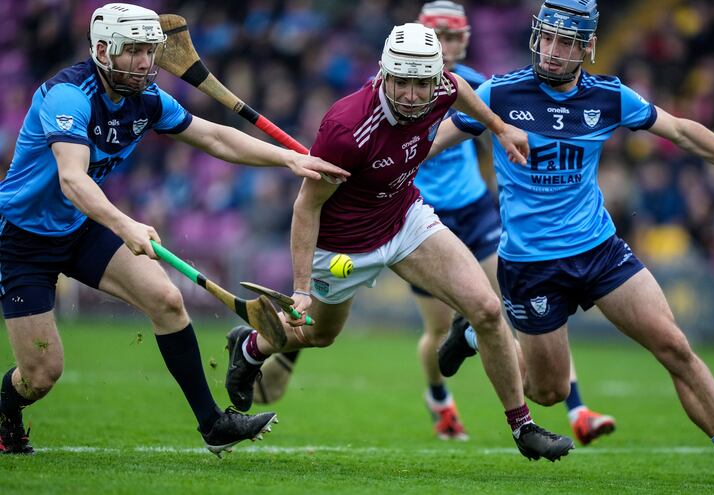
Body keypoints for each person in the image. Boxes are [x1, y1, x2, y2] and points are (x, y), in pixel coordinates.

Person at [431, 0, 714, 484]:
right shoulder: (498, 94)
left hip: (599, 250)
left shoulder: (609, 97)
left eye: (566, 42)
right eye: (546, 37)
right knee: (548, 391)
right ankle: (477, 333)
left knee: (674, 345)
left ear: (588, 48)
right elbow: (429, 142)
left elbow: (682, 132)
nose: (552, 51)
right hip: (532, 265)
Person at [250, 0, 615, 447]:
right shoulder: (347, 127)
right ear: (384, 76)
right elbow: (306, 207)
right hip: (348, 238)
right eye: (401, 83)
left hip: (409, 217)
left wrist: (498, 127)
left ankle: (524, 426)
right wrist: (302, 288)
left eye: (421, 84)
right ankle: (253, 348)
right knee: (325, 334)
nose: (410, 94)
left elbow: (458, 88)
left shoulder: (440, 85)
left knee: (487, 308)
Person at [0, 3, 348, 456]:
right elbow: (72, 179)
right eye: (134, 51)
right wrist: (126, 224)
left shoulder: (147, 99)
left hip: (79, 227)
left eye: (151, 50)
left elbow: (214, 136)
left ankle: (213, 425)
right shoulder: (68, 95)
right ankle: (6, 413)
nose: (147, 62)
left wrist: (288, 159)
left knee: (166, 299)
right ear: (103, 50)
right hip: (22, 240)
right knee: (41, 375)